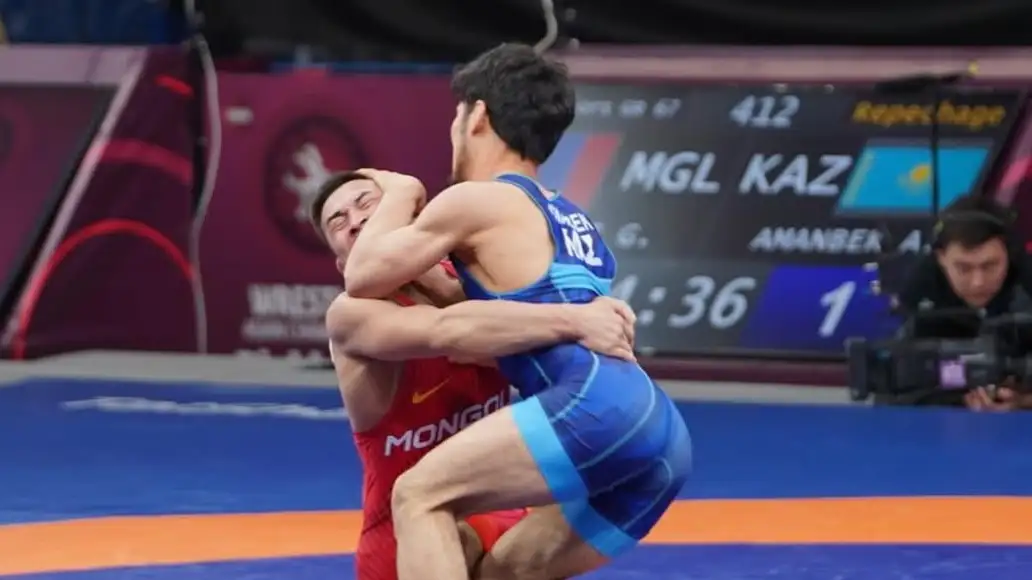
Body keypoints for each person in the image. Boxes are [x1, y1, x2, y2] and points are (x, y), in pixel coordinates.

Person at [343, 44, 693, 579]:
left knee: (417, 496)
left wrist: (400, 190)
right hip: (660, 436)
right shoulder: (569, 217)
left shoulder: (476, 200)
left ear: (477, 116)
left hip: (593, 407)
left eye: (456, 116)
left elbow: (364, 274)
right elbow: (501, 317)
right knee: (501, 573)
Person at [309, 170, 637, 580]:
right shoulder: (349, 315)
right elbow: (450, 332)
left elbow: (509, 346)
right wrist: (577, 320)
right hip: (405, 531)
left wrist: (429, 272)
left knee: (603, 478)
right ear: (344, 264)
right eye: (338, 222)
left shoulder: (472, 281)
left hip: (500, 512)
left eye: (366, 204)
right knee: (447, 525)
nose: (356, 221)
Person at [894, 194, 1032, 410]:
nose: (978, 282)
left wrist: (1024, 402)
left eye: (990, 266)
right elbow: (892, 398)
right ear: (941, 258)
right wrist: (957, 403)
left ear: (1010, 254)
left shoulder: (1027, 285)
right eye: (963, 268)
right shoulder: (918, 296)